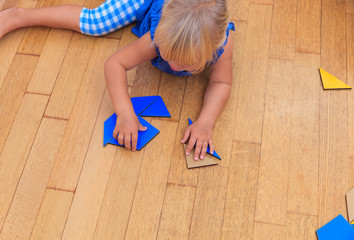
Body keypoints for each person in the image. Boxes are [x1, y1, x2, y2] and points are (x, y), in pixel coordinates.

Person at [0, 0, 234, 161]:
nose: (173, 65)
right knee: (96, 22)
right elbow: (115, 64)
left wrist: (205, 122)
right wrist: (124, 112)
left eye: (186, 64)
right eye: (167, 54)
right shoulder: (158, 37)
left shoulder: (221, 45)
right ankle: (17, 16)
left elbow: (221, 83)